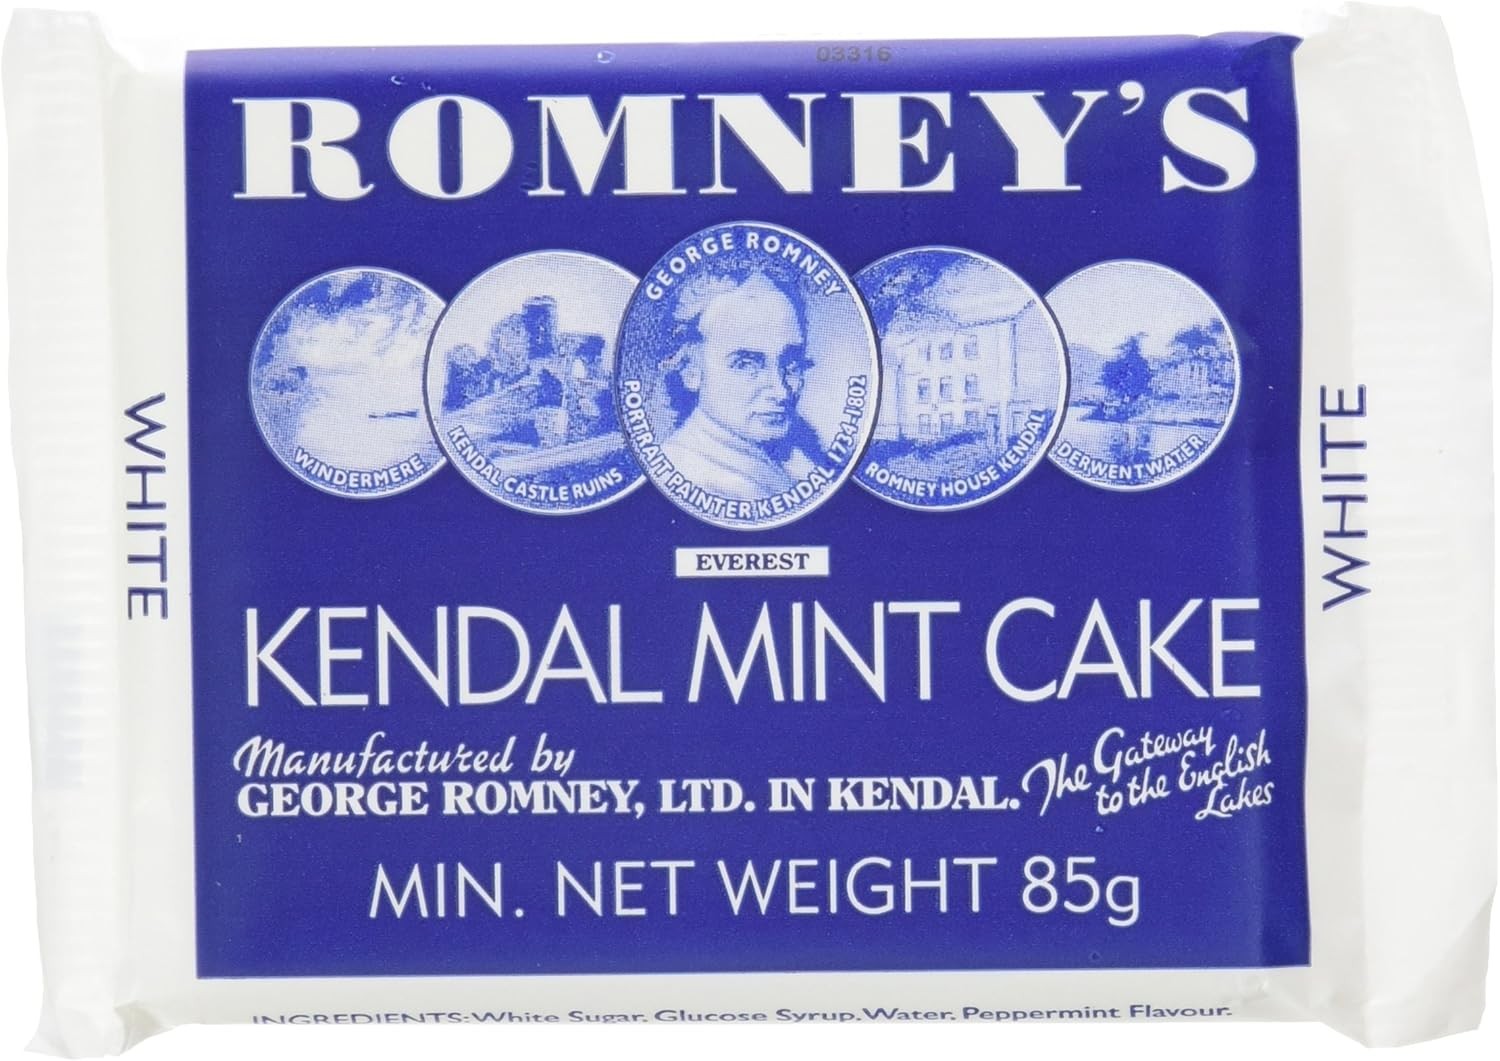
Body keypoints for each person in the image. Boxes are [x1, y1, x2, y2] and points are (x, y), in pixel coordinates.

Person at [659, 271, 821, 501]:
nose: (781, 391)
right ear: (690, 371)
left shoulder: (792, 461)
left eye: (791, 364)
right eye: (746, 365)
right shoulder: (691, 473)